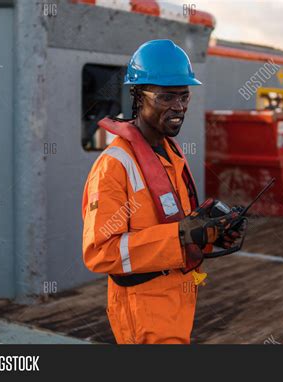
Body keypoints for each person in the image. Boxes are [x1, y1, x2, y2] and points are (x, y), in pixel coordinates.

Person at [81, 40, 243, 344]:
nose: (179, 107)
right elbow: (100, 254)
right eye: (167, 96)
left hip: (177, 301)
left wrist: (210, 234)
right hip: (144, 312)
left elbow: (174, 226)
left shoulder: (171, 153)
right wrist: (182, 235)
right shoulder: (114, 166)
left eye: (184, 96)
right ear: (138, 97)